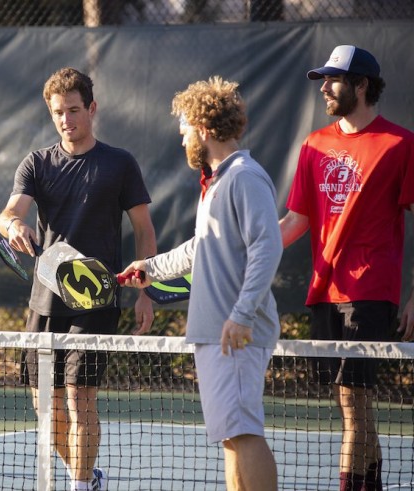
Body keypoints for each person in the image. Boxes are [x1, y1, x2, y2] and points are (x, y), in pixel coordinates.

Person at [0, 67, 157, 491]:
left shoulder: (119, 163)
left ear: (91, 109)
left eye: (73, 109)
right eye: (57, 112)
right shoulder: (37, 162)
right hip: (45, 300)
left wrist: (147, 292)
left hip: (97, 302)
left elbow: (143, 229)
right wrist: (14, 226)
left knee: (78, 395)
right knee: (44, 405)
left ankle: (81, 486)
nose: (66, 119)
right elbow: (10, 211)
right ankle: (85, 475)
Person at [121, 76, 281, 491]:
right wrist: (150, 268)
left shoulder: (245, 176)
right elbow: (200, 249)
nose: (181, 137)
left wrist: (242, 316)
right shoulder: (216, 183)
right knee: (232, 437)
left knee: (245, 434)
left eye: (185, 127)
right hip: (216, 332)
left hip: (237, 333)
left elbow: (268, 247)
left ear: (204, 129)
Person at [279, 45, 414, 490]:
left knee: (353, 402)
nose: (324, 88)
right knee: (350, 403)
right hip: (325, 289)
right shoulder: (314, 144)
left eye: (333, 80)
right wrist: (244, 252)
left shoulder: (400, 144)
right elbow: (296, 222)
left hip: (370, 290)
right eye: (322, 79)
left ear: (361, 85)